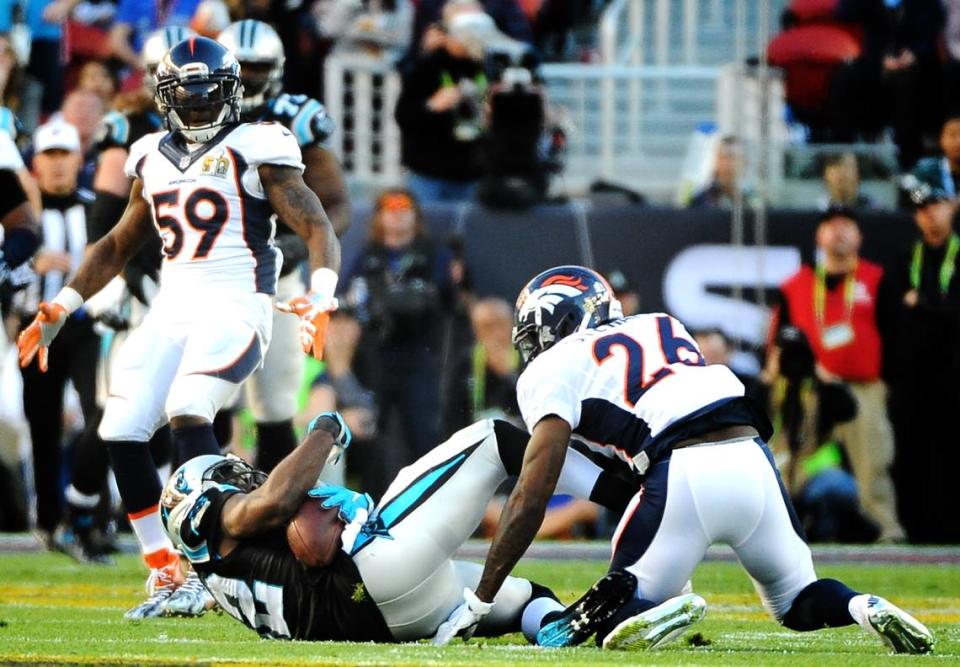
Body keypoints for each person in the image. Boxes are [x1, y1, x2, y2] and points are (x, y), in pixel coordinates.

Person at [433, 265, 934, 654]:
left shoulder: (552, 368)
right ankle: (862, 605)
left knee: (592, 621)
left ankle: (651, 606)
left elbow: (533, 491)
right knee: (798, 600)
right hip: (752, 458)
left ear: (555, 324)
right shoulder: (662, 324)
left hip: (685, 469)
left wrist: (482, 596)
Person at [15, 37, 342, 619]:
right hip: (174, 304)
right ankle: (167, 572)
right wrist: (61, 307)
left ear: (233, 95)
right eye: (186, 99)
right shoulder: (148, 154)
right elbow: (117, 243)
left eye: (207, 97)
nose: (197, 109)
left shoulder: (259, 142)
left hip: (238, 302)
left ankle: (210, 568)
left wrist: (320, 295)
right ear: (165, 99)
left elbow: (315, 223)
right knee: (119, 425)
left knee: (193, 407)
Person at [160, 414, 640, 643]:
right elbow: (276, 502)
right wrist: (326, 431)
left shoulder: (219, 577)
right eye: (231, 480)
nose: (245, 479)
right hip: (372, 571)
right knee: (493, 438)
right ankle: (629, 495)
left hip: (381, 622)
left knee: (527, 598)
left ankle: (556, 629)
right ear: (201, 502)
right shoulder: (220, 520)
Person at [216, 19, 350, 473]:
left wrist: (295, 246)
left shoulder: (296, 117)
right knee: (209, 401)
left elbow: (337, 205)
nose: (250, 77)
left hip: (278, 280)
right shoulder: (199, 112)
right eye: (242, 67)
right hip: (218, 276)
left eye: (259, 67)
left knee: (275, 407)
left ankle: (270, 522)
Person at [768, 206, 904, 542]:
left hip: (862, 388)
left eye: (847, 226)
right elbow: (776, 343)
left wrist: (885, 384)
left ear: (859, 236)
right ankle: (781, 531)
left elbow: (895, 337)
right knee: (793, 460)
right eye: (831, 226)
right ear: (820, 235)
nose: (839, 232)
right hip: (809, 390)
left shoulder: (875, 279)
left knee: (872, 460)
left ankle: (884, 530)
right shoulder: (796, 285)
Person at [12, 120, 103, 558]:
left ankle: (93, 516)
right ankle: (49, 521)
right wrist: (33, 267)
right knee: (42, 427)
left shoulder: (95, 209)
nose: (58, 165)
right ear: (35, 164)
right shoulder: (17, 215)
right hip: (35, 326)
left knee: (102, 417)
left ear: (78, 159)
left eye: (65, 154)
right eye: (49, 156)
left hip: (86, 327)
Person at [343, 188, 456, 478]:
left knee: (423, 436)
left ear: (416, 216)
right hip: (376, 357)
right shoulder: (368, 257)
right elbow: (350, 300)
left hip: (420, 355)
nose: (396, 214)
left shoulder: (432, 255)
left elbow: (451, 299)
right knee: (370, 435)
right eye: (389, 209)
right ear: (379, 217)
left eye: (403, 208)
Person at [878, 182, 960, 544]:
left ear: (953, 206)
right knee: (910, 456)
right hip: (912, 382)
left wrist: (923, 306)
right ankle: (915, 532)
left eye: (936, 205)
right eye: (922, 208)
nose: (929, 214)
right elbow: (889, 317)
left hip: (955, 379)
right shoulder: (903, 259)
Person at [395, 1, 491, 202]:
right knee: (426, 230)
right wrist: (432, 106)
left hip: (476, 171)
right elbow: (404, 116)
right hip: (429, 172)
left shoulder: (491, 65)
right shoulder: (427, 65)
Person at [442, 297, 520, 437]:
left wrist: (510, 376)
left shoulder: (527, 359)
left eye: (500, 325)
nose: (495, 333)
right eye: (487, 326)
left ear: (512, 325)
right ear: (476, 330)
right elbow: (452, 417)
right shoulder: (465, 364)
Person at [688, 136, 754, 209]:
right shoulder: (699, 201)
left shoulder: (755, 201)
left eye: (733, 157)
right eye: (722, 158)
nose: (727, 164)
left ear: (744, 162)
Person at [910, 114, 960, 198]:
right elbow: (914, 197)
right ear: (941, 140)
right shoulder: (925, 170)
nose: (958, 141)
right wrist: (934, 198)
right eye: (952, 135)